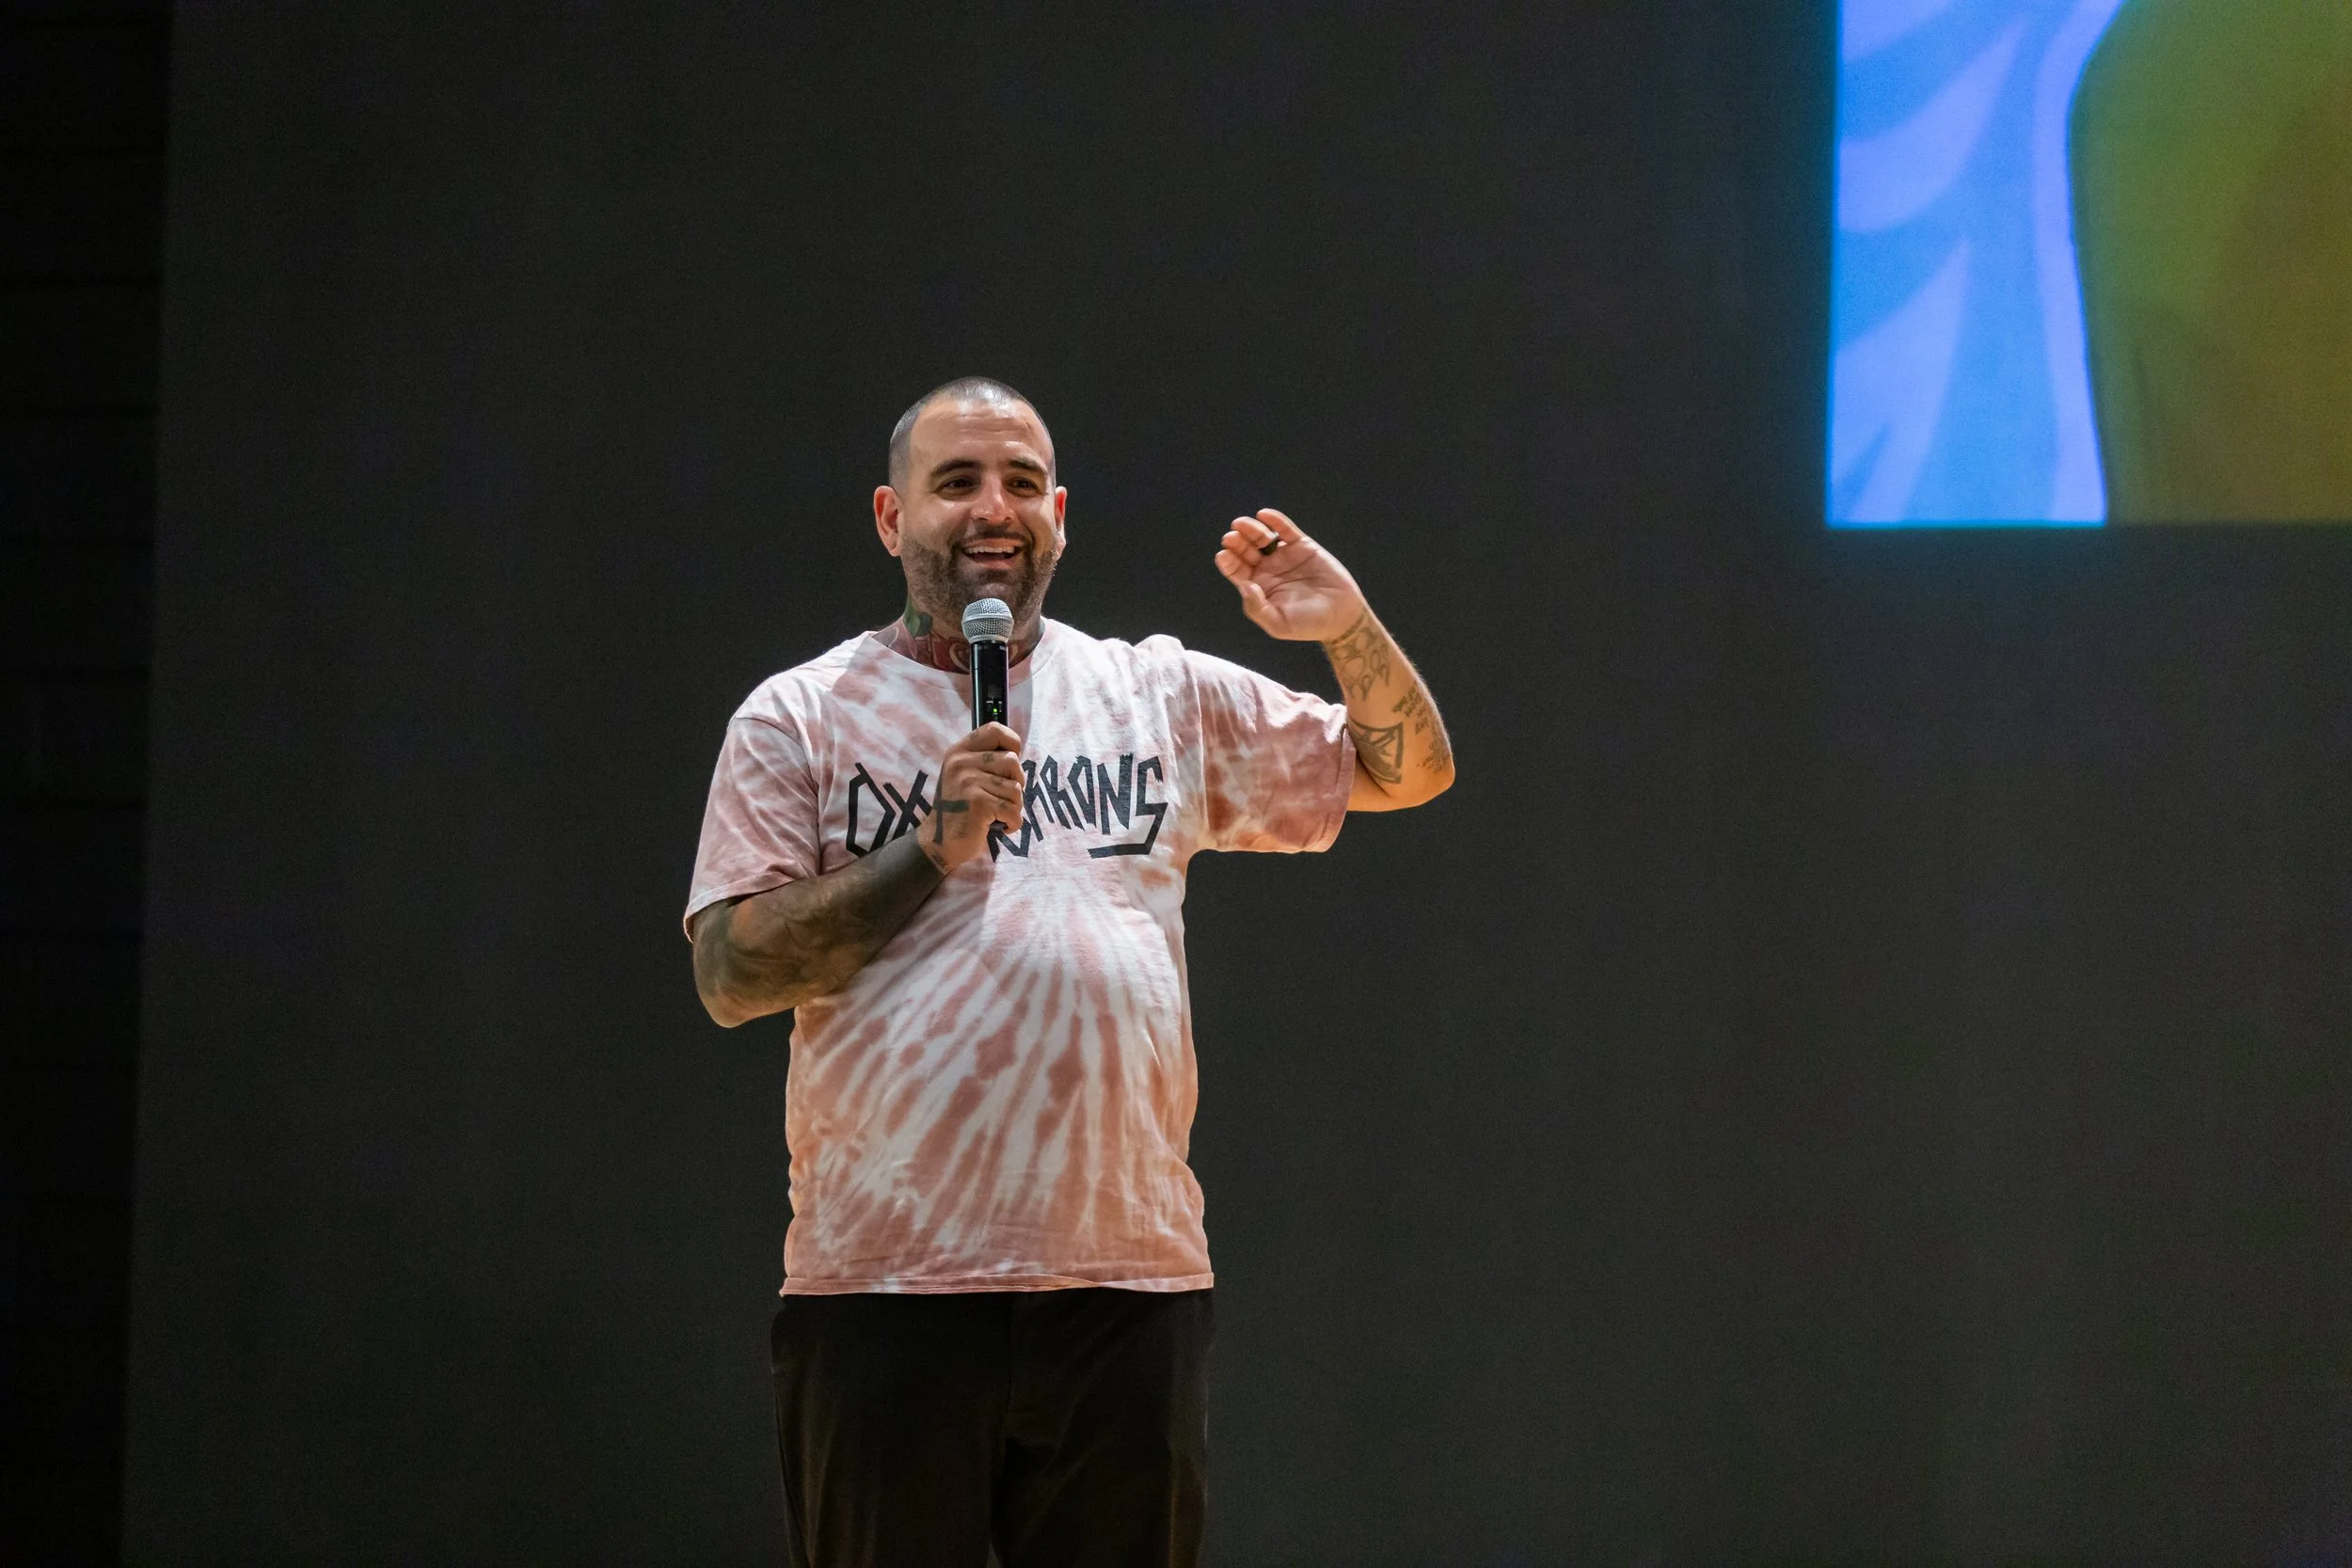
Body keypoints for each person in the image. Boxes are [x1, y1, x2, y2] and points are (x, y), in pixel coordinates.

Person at [683, 376, 1454, 1567]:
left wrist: (1345, 626)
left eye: (1020, 482)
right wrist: (926, 849)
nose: (994, 507)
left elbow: (1405, 771)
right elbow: (732, 971)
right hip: (886, 1293)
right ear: (892, 518)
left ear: (1060, 513)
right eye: (957, 483)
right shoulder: (801, 715)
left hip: (1124, 1285)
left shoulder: (1156, 693)